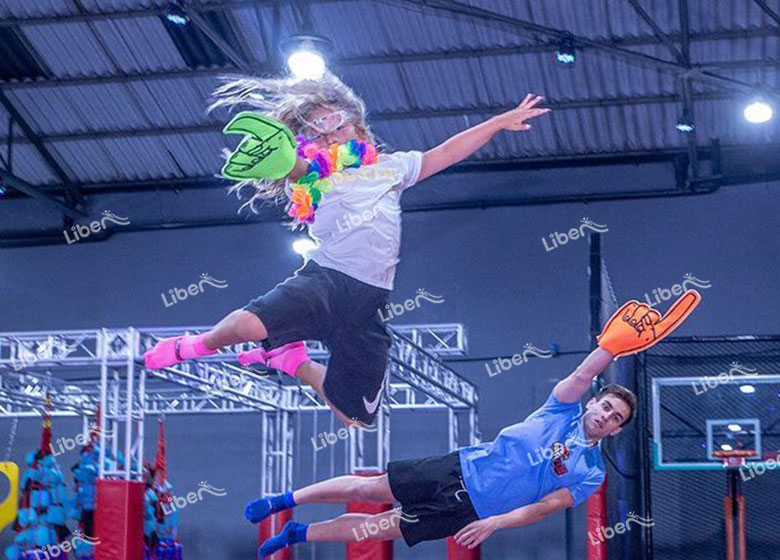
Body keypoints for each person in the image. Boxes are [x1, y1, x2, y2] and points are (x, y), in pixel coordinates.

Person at [143, 73, 550, 426]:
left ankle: (291, 361)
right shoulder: (312, 176)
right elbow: (292, 165)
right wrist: (284, 161)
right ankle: (192, 346)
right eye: (316, 132)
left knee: (356, 416)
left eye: (332, 122)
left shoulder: (391, 167)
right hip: (326, 280)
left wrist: (497, 123)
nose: (328, 134)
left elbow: (444, 153)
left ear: (354, 121)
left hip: (370, 299)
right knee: (249, 327)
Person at [245, 292, 701, 556]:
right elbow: (582, 375)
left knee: (377, 529)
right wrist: (612, 348)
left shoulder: (592, 472)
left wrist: (495, 524)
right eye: (604, 407)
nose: (606, 416)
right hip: (457, 469)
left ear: (616, 430)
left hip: (472, 511)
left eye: (615, 418)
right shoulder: (559, 409)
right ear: (593, 405)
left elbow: (542, 508)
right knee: (369, 490)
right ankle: (283, 500)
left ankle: (297, 534)